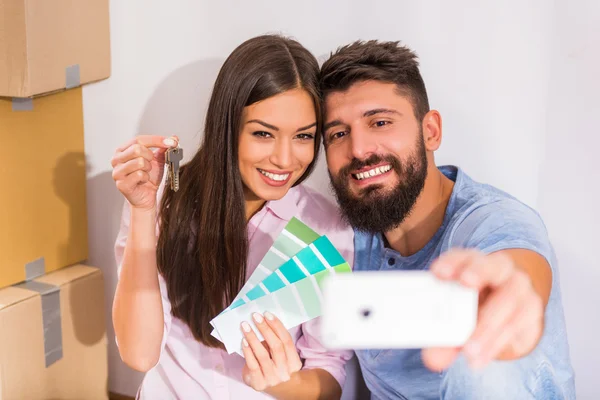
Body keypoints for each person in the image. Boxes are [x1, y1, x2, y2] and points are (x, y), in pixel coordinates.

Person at [319, 40, 576, 399]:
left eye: (380, 122)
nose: (359, 149)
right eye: (338, 134)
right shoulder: (343, 240)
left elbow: (515, 264)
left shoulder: (492, 219)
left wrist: (509, 293)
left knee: (479, 364)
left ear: (431, 132)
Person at [111, 34, 354, 400]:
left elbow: (329, 374)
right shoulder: (161, 197)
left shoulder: (326, 230)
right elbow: (140, 354)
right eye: (262, 134)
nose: (285, 160)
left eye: (303, 136)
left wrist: (281, 381)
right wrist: (143, 212)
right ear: (227, 127)